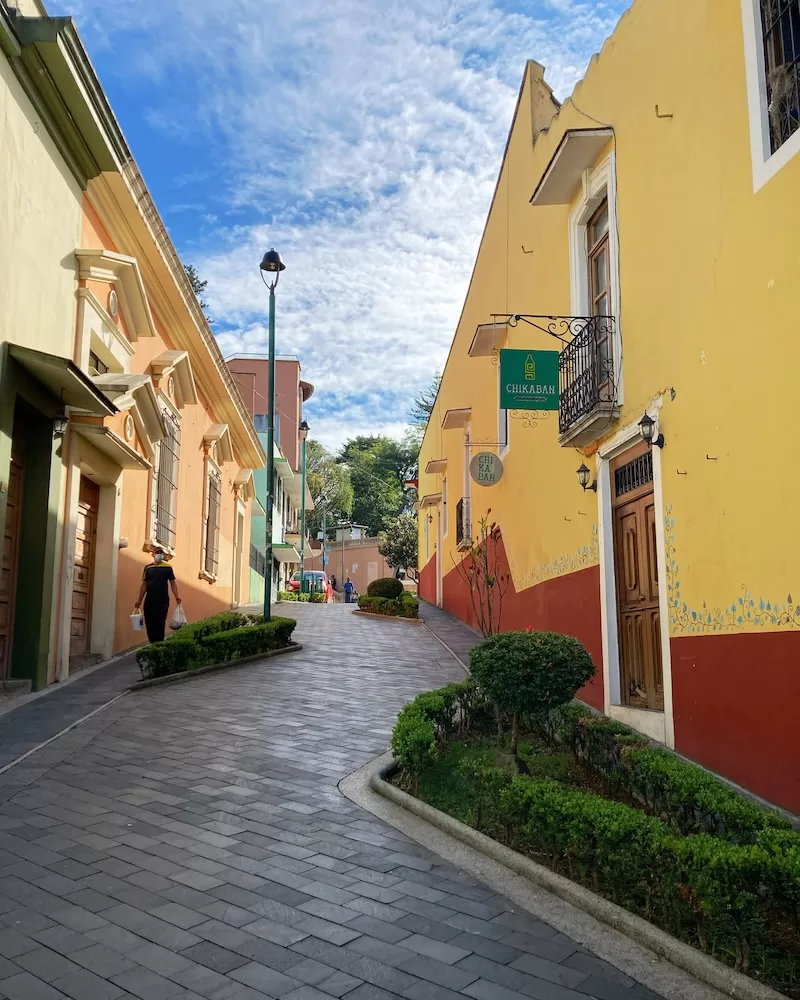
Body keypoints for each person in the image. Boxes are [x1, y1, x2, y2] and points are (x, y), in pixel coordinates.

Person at [134, 547, 181, 643]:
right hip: (150, 599)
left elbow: (173, 583)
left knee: (160, 621)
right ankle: (152, 642)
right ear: (153, 554)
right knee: (149, 621)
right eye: (157, 553)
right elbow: (144, 584)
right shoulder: (148, 568)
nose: (159, 555)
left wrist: (177, 596)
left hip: (162, 599)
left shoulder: (168, 567)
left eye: (161, 553)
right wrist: (139, 600)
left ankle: (159, 642)